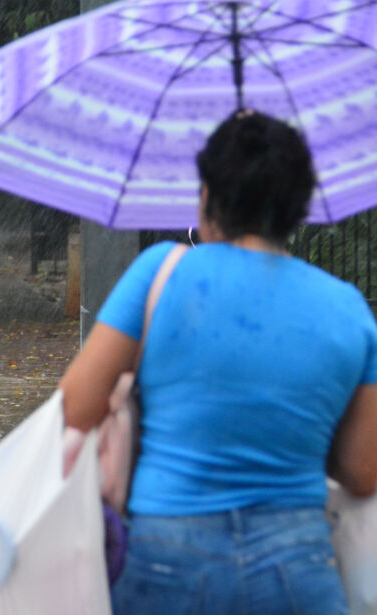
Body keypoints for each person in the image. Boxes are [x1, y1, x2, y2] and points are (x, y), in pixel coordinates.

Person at [59, 110, 377, 614]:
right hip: (297, 565)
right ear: (297, 207)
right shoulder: (348, 309)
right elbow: (363, 470)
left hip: (166, 556)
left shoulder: (159, 273)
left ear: (207, 196)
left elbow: (76, 406)